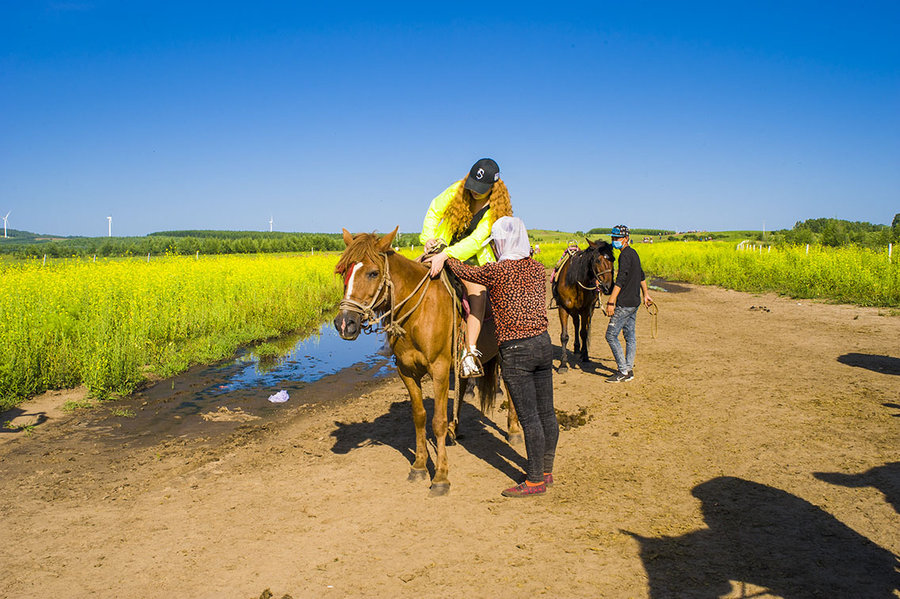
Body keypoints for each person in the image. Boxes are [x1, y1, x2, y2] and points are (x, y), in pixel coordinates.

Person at [446, 216, 558, 498]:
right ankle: (545, 470)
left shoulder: (497, 271)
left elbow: (462, 269)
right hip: (544, 344)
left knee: (529, 418)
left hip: (517, 351)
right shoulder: (536, 268)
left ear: (502, 243)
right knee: (546, 413)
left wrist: (442, 255)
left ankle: (533, 481)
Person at [421, 158, 513, 377]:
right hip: (442, 249)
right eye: (472, 185)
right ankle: (395, 336)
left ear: (493, 186)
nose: (473, 191)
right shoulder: (458, 189)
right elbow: (435, 210)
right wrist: (428, 239)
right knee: (409, 274)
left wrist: (446, 255)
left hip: (472, 260)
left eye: (480, 189)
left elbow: (475, 241)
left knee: (478, 295)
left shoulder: (494, 211)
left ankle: (470, 353)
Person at [604, 224, 653, 382]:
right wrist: (646, 294)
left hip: (624, 303)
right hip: (635, 302)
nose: (614, 241)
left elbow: (621, 279)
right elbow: (641, 275)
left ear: (626, 239)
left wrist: (611, 301)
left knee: (611, 335)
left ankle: (623, 371)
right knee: (630, 335)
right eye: (612, 238)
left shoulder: (624, 255)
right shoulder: (634, 253)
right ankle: (629, 368)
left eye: (617, 238)